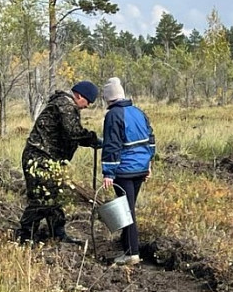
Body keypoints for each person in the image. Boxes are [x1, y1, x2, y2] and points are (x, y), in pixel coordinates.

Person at [16, 81, 101, 244]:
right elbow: (73, 132)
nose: (87, 106)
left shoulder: (66, 104)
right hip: (39, 157)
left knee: (52, 196)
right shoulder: (65, 105)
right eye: (88, 102)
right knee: (41, 197)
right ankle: (25, 235)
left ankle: (58, 234)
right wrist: (93, 139)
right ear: (79, 96)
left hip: (49, 159)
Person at [101, 77, 156, 266]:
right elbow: (151, 140)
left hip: (124, 170)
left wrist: (108, 172)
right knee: (129, 207)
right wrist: (148, 164)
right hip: (140, 169)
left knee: (127, 211)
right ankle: (126, 246)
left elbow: (112, 145)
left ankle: (132, 253)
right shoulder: (139, 112)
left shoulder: (113, 115)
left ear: (108, 98)